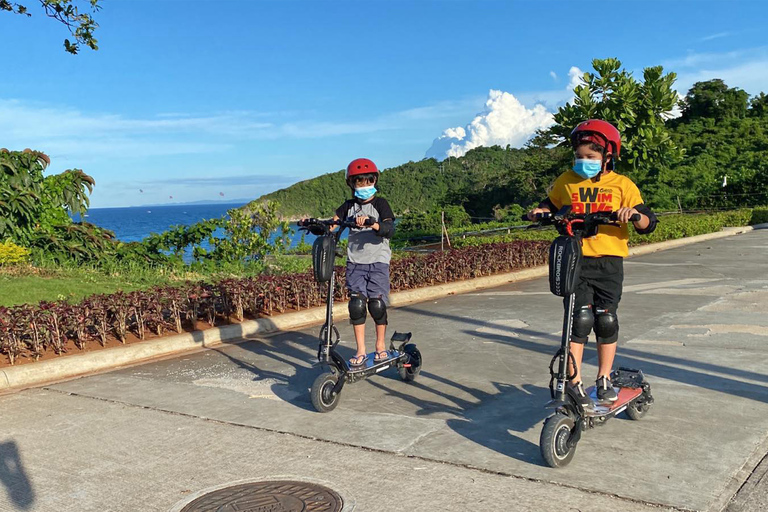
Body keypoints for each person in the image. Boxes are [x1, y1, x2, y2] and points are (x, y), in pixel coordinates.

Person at [527, 119, 658, 405]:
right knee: (579, 320)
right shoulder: (566, 181)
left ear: (607, 157)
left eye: (590, 157)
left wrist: (633, 216)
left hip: (609, 262)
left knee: (606, 320)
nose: (582, 161)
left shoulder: (622, 185)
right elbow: (550, 203)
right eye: (579, 156)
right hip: (577, 260)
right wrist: (540, 211)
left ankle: (604, 378)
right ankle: (574, 383)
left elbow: (648, 220)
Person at [334, 158, 396, 367]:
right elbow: (334, 223)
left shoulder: (380, 204)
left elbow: (389, 228)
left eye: (368, 180)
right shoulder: (349, 206)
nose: (364, 185)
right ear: (352, 184)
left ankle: (380, 346)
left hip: (378, 261)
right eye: (359, 181)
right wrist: (314, 224)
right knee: (356, 305)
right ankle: (361, 350)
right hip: (355, 262)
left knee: (376, 305)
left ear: (374, 180)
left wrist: (373, 224)